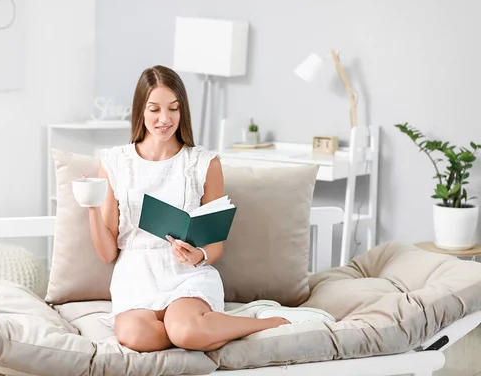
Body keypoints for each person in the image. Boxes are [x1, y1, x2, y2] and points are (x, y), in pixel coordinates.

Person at [88, 65, 334, 353]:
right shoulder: (115, 162)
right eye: (154, 109)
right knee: (140, 338)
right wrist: (91, 205)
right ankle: (206, 325)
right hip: (135, 277)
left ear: (183, 111)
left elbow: (214, 247)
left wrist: (198, 255)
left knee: (186, 331)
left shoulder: (203, 163)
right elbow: (107, 254)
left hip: (185, 276)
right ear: (141, 110)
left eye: (174, 109)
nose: (165, 119)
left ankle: (270, 321)